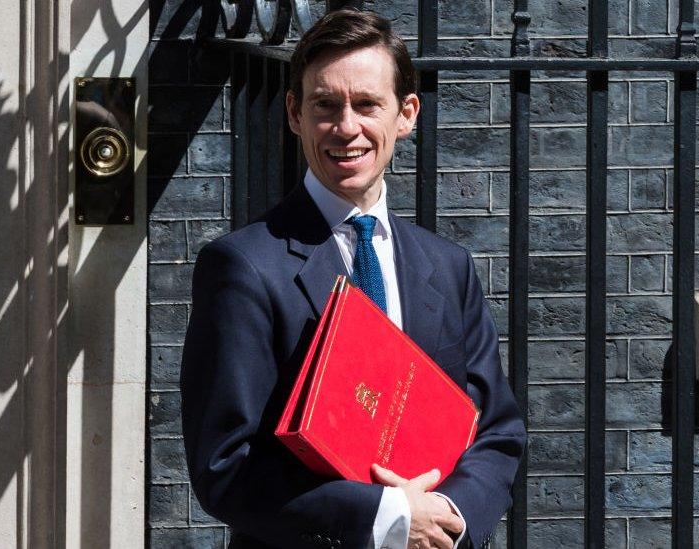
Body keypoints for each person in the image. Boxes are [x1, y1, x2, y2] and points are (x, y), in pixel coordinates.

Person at [180, 9, 526, 549]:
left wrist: (446, 517)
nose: (346, 128)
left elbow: (498, 431)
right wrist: (387, 516)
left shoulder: (448, 265)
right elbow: (225, 467)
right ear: (294, 113)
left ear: (406, 114)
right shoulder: (244, 267)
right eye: (325, 105)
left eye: (367, 104)